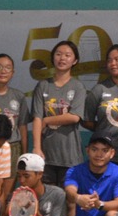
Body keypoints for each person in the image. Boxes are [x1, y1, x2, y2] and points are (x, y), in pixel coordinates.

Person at [27, 39, 89, 189]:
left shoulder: (78, 87)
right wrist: (36, 148)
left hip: (70, 156)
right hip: (46, 155)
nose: (62, 58)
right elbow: (36, 118)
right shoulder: (43, 85)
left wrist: (47, 120)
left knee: (69, 200)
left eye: (67, 55)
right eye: (58, 54)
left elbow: (74, 117)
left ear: (75, 61)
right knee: (46, 200)